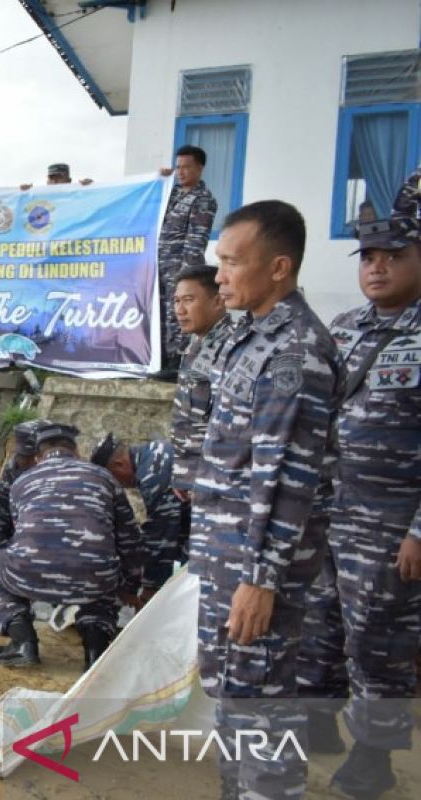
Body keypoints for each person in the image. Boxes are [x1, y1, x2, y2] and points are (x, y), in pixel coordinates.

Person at [191, 200, 341, 800]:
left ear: (279, 267)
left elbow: (285, 476)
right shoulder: (251, 336)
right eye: (218, 262)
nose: (220, 276)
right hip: (228, 554)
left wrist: (260, 578)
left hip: (256, 568)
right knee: (232, 692)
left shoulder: (294, 352)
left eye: (232, 263)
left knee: (261, 707)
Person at [297, 216, 421, 799]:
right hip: (328, 508)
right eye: (368, 256)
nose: (376, 266)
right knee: (318, 621)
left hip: (392, 520)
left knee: (378, 640)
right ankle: (318, 720)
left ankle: (375, 754)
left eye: (392, 255)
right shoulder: (345, 327)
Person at [0, 422, 141, 671]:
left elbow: (21, 532)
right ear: (76, 451)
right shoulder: (104, 477)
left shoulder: (21, 481)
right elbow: (130, 540)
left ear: (38, 456)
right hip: (92, 576)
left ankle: (23, 642)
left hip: (29, 572)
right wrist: (129, 586)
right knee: (102, 578)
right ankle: (95, 649)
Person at [92, 433, 187, 597]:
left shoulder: (152, 474)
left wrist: (150, 588)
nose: (119, 486)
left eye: (113, 479)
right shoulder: (155, 451)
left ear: (119, 464)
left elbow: (162, 535)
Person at [169, 263, 233, 499]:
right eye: (177, 301)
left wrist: (199, 474)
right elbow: (187, 416)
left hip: (215, 477)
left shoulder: (230, 348)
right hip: (194, 474)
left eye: (188, 300)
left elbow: (224, 423)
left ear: (218, 301)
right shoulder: (197, 344)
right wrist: (183, 471)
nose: (180, 309)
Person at [157, 145, 218, 370]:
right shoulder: (170, 194)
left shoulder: (202, 200)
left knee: (178, 314)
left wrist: (185, 278)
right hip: (157, 268)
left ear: (200, 168)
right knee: (159, 315)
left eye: (186, 167)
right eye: (178, 167)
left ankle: (175, 362)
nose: (180, 172)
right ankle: (159, 359)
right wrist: (158, 181)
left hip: (179, 269)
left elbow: (196, 242)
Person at [0, 419, 45, 569]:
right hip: (15, 528)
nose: (22, 461)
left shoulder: (58, 476)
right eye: (21, 454)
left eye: (29, 456)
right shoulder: (15, 466)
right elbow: (0, 510)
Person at [19, 162, 94, 190]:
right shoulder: (41, 198)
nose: (54, 181)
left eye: (59, 178)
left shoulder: (78, 195)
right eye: (51, 178)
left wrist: (90, 188)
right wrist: (24, 194)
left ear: (69, 180)